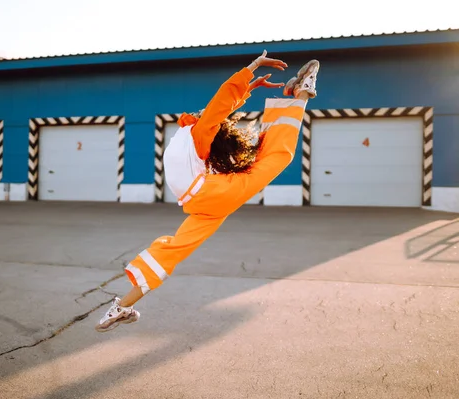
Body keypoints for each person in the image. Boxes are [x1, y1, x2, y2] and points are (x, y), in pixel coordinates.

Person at [95, 51, 320, 332]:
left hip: (199, 202)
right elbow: (221, 102)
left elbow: (221, 104)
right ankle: (301, 94)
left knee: (174, 250)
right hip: (211, 195)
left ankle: (121, 307)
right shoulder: (199, 132)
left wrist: (247, 86)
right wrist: (250, 68)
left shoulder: (185, 135)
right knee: (277, 156)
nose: (213, 113)